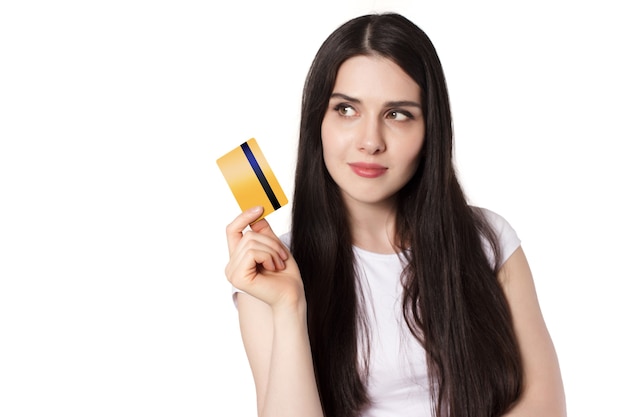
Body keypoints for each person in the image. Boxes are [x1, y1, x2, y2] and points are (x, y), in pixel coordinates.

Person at [223, 12, 566, 417]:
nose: (370, 141)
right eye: (347, 110)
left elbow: (545, 404)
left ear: (430, 130)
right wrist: (288, 305)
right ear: (318, 121)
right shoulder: (273, 271)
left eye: (397, 114)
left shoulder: (488, 238)